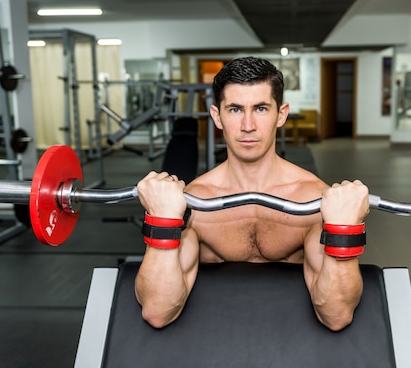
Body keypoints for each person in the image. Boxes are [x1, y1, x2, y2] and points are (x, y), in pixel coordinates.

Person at [134, 57, 370, 331]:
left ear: (280, 114)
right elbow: (157, 311)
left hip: (291, 341)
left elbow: (337, 315)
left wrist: (345, 229)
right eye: (235, 109)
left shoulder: (311, 201)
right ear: (217, 116)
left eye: (260, 108)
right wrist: (162, 221)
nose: (248, 125)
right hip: (214, 339)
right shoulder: (196, 203)